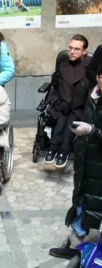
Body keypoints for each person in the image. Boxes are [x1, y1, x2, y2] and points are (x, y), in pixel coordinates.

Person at [49, 65, 102, 260]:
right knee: (81, 200)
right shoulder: (92, 95)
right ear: (98, 77)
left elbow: (93, 128)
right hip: (87, 159)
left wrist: (92, 130)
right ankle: (74, 244)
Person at [44, 34, 91, 168]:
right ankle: (53, 148)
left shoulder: (90, 67)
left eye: (76, 49)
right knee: (61, 119)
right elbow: (55, 84)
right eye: (70, 48)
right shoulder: (62, 65)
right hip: (63, 103)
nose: (71, 52)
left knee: (71, 119)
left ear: (84, 51)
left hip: (80, 106)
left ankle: (63, 152)